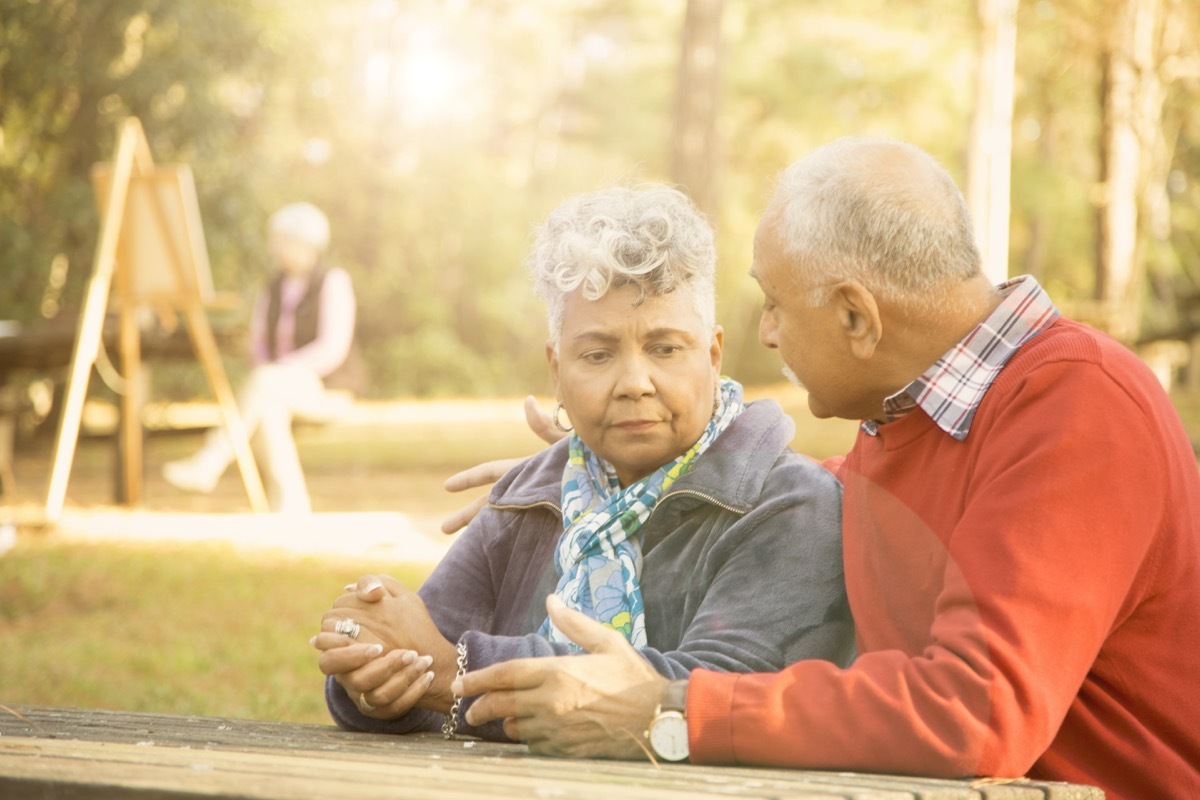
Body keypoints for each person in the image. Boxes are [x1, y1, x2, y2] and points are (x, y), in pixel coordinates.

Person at [448, 139, 1200, 798]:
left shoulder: (1078, 407)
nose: (767, 334)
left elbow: (974, 712)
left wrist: (670, 711)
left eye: (773, 304)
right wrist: (599, 469)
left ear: (855, 317)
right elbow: (798, 486)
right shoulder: (907, 425)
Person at [309, 185, 854, 744]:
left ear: (713, 355)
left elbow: (711, 694)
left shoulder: (789, 504)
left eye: (666, 349)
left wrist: (454, 672)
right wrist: (375, 674)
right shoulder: (533, 494)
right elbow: (418, 650)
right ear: (556, 367)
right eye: (597, 354)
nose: (635, 383)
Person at [163, 201, 363, 513]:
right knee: (268, 407)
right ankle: (290, 505)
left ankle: (210, 461)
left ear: (306, 244)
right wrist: (267, 373)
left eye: (282, 241)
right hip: (275, 386)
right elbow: (257, 342)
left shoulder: (333, 281)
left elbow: (332, 349)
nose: (276, 249)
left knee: (267, 383)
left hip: (325, 387)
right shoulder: (273, 287)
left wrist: (277, 370)